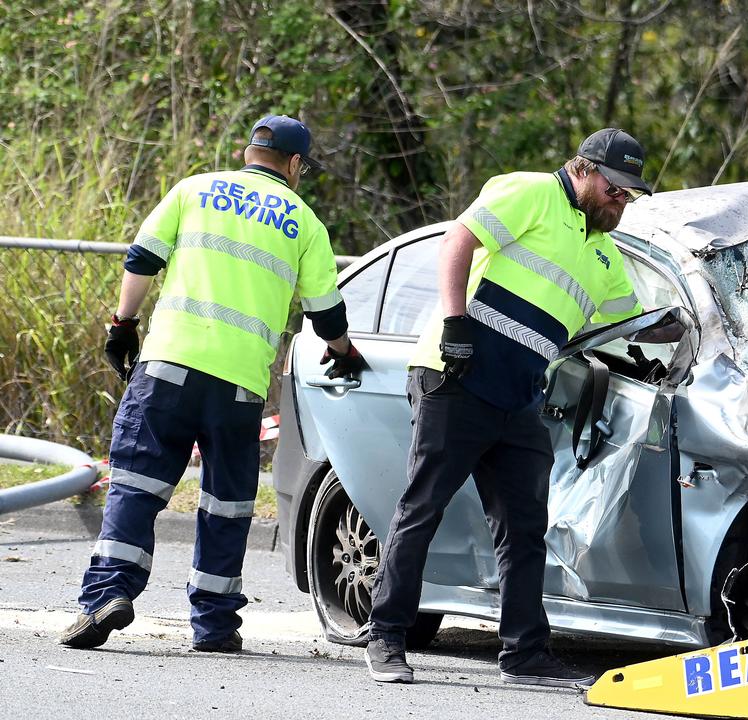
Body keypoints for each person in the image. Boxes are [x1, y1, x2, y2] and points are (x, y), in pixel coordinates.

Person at [60, 114, 367, 653]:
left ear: (248, 151)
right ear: (294, 164)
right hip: (238, 387)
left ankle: (107, 595)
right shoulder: (305, 223)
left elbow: (142, 259)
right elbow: (327, 316)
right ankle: (214, 624)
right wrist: (346, 355)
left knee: (137, 485)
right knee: (226, 503)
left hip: (168, 367)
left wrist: (122, 325)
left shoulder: (195, 189)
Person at [363, 128, 655, 687]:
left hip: (519, 397)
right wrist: (453, 325)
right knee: (422, 509)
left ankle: (525, 656)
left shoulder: (604, 254)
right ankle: (386, 638)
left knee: (525, 528)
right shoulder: (530, 192)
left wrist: (679, 328)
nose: (622, 201)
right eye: (616, 189)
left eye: (630, 195)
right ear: (586, 170)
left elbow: (630, 326)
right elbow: (458, 242)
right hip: (457, 377)